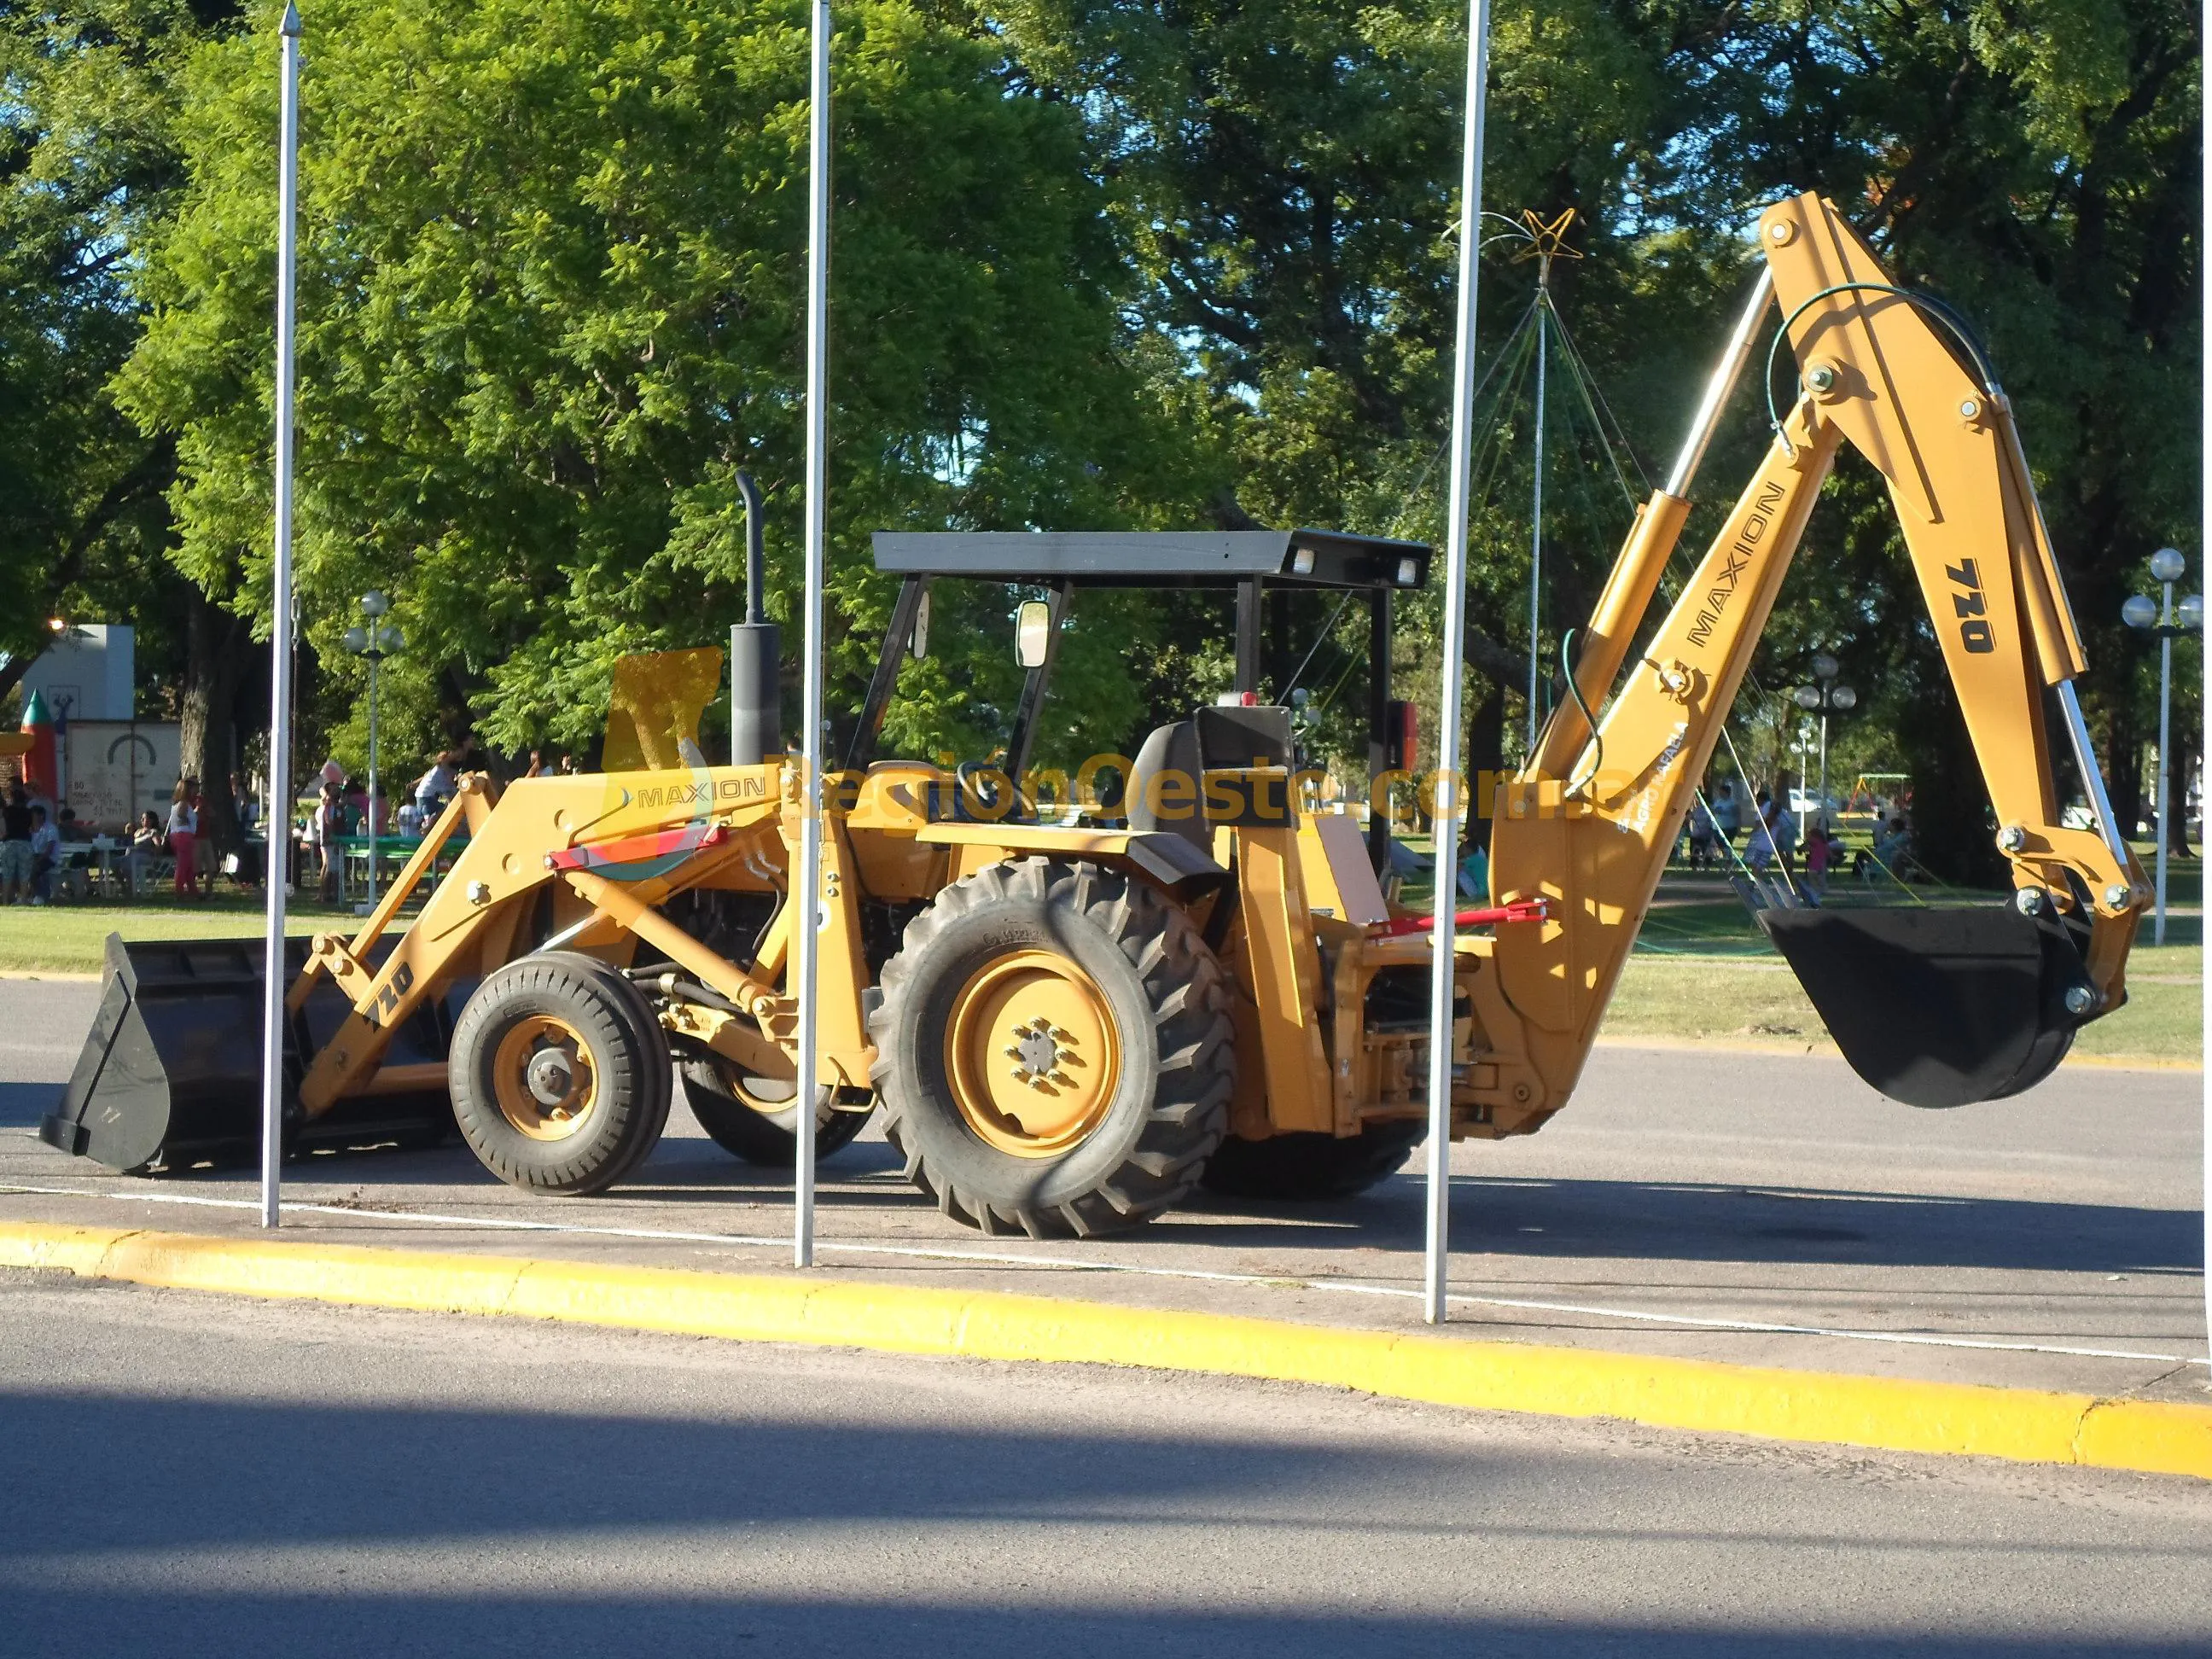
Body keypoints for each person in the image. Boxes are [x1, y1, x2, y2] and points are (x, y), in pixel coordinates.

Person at [166, 777, 201, 898]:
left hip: (178, 836)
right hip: (184, 836)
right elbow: (182, 815)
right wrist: (193, 815)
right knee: (183, 865)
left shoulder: (176, 804)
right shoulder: (184, 804)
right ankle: (179, 891)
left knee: (189, 866)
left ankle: (192, 891)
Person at [312, 780, 346, 903]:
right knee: (328, 865)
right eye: (333, 789)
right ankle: (324, 893)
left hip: (335, 840)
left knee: (332, 867)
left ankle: (332, 893)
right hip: (328, 840)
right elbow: (328, 823)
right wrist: (332, 836)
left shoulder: (338, 808)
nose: (337, 790)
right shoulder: (327, 808)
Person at [0, 782, 32, 904]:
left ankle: (4, 900)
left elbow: (2, 828)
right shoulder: (29, 812)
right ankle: (23, 899)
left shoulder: (6, 811)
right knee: (24, 874)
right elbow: (34, 828)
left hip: (9, 843)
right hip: (25, 843)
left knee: (7, 874)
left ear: (12, 798)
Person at [125, 810, 166, 898]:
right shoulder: (137, 832)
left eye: (144, 818)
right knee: (115, 863)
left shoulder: (153, 832)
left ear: (151, 820)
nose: (142, 820)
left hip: (146, 856)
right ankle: (126, 887)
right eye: (142, 818)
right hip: (133, 855)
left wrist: (151, 849)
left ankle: (131, 890)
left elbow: (158, 846)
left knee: (127, 863)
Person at [26, 804, 60, 904]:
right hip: (34, 857)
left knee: (34, 869)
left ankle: (40, 896)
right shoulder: (30, 829)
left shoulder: (50, 829)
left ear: (41, 816)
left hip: (49, 859)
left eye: (33, 815)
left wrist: (37, 860)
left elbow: (49, 850)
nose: (31, 817)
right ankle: (25, 895)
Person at [1802, 816, 1833, 902]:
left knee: (1812, 876)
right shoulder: (1822, 844)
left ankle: (1817, 890)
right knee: (1816, 877)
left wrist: (1806, 837)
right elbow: (1828, 852)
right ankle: (1822, 888)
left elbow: (1808, 845)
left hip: (1815, 863)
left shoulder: (1815, 842)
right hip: (1818, 863)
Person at [1708, 779, 1742, 853]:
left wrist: (1739, 829)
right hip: (1717, 828)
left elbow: (1738, 815)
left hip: (1729, 828)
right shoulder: (1718, 801)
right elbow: (1713, 812)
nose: (1720, 793)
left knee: (1726, 844)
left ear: (1727, 792)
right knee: (1720, 844)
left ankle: (1728, 858)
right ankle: (1726, 857)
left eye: (1721, 792)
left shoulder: (1733, 803)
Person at [1685, 795, 1716, 869]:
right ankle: (1694, 864)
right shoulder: (1697, 809)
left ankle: (1708, 864)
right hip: (1696, 834)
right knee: (1694, 847)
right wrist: (1688, 814)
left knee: (1706, 849)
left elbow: (1713, 822)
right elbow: (1690, 817)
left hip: (1706, 834)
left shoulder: (1711, 809)